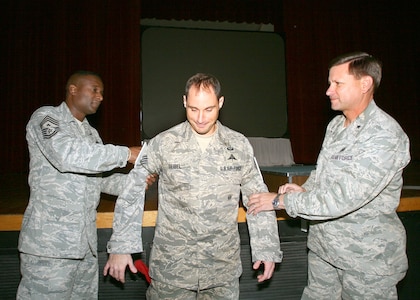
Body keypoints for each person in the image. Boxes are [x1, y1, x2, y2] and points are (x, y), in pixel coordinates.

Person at [104, 73, 283, 299]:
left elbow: (258, 198)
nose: (200, 118)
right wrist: (121, 246)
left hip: (221, 269)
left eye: (209, 109)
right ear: (184, 102)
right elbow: (132, 191)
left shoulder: (238, 145)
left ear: (220, 103)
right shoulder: (163, 142)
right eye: (193, 109)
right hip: (172, 269)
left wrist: (266, 249)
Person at [247, 52, 410, 299]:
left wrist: (279, 202)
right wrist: (306, 190)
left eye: (337, 83)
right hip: (326, 251)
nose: (328, 91)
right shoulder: (336, 126)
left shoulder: (384, 135)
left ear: (365, 84)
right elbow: (324, 175)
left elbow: (342, 199)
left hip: (366, 261)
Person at [17, 70, 141, 299]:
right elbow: (66, 155)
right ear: (73, 90)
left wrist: (135, 182)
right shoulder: (47, 117)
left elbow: (98, 180)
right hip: (50, 248)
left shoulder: (90, 133)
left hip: (85, 247)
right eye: (94, 89)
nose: (100, 96)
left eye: (102, 92)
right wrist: (126, 154)